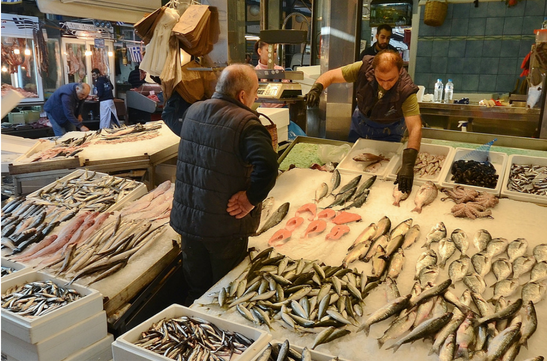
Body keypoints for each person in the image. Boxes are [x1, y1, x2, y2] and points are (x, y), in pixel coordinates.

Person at [170, 64, 279, 305]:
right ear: (242, 95)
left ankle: (195, 331)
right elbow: (269, 165)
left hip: (188, 223)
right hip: (224, 227)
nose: (255, 97)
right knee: (225, 295)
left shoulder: (193, 111)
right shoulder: (247, 123)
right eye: (255, 92)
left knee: (197, 291)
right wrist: (251, 199)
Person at [305, 50, 421, 194]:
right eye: (380, 79)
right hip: (360, 124)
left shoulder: (406, 90)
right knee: (353, 167)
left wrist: (408, 165)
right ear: (373, 69)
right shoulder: (364, 67)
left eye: (391, 80)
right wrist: (317, 88)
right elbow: (332, 75)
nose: (385, 85)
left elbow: (415, 127)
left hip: (390, 130)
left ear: (400, 71)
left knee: (382, 175)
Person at [254, 40, 287, 108]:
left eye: (274, 51)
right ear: (259, 51)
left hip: (280, 110)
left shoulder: (280, 71)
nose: (272, 54)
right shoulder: (254, 72)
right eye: (268, 51)